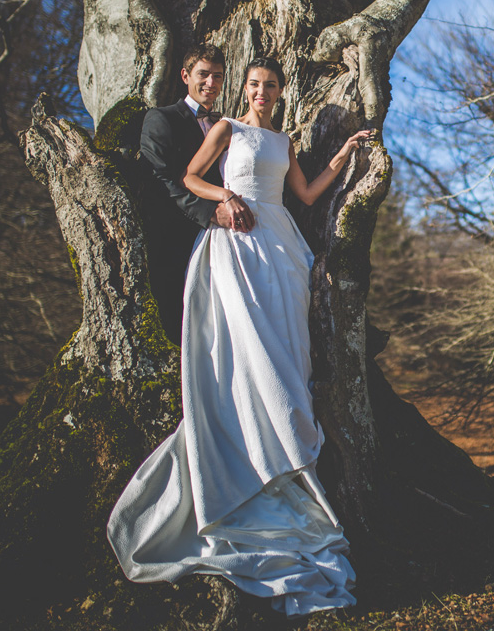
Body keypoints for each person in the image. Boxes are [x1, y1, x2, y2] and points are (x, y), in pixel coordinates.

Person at [108, 57, 370, 615]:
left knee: (289, 356)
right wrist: (224, 199)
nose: (262, 92)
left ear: (279, 92)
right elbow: (189, 177)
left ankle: (284, 454)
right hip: (239, 240)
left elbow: (304, 194)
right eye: (253, 84)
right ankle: (253, 455)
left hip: (283, 245)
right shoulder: (228, 129)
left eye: (270, 85)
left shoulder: (284, 139)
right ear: (244, 90)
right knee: (252, 352)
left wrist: (344, 157)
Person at [139, 44, 255, 340]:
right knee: (186, 327)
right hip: (179, 237)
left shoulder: (223, 125)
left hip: (227, 237)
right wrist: (209, 213)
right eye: (203, 75)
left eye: (218, 77)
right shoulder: (162, 118)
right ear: (185, 76)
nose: (211, 83)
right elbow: (159, 179)